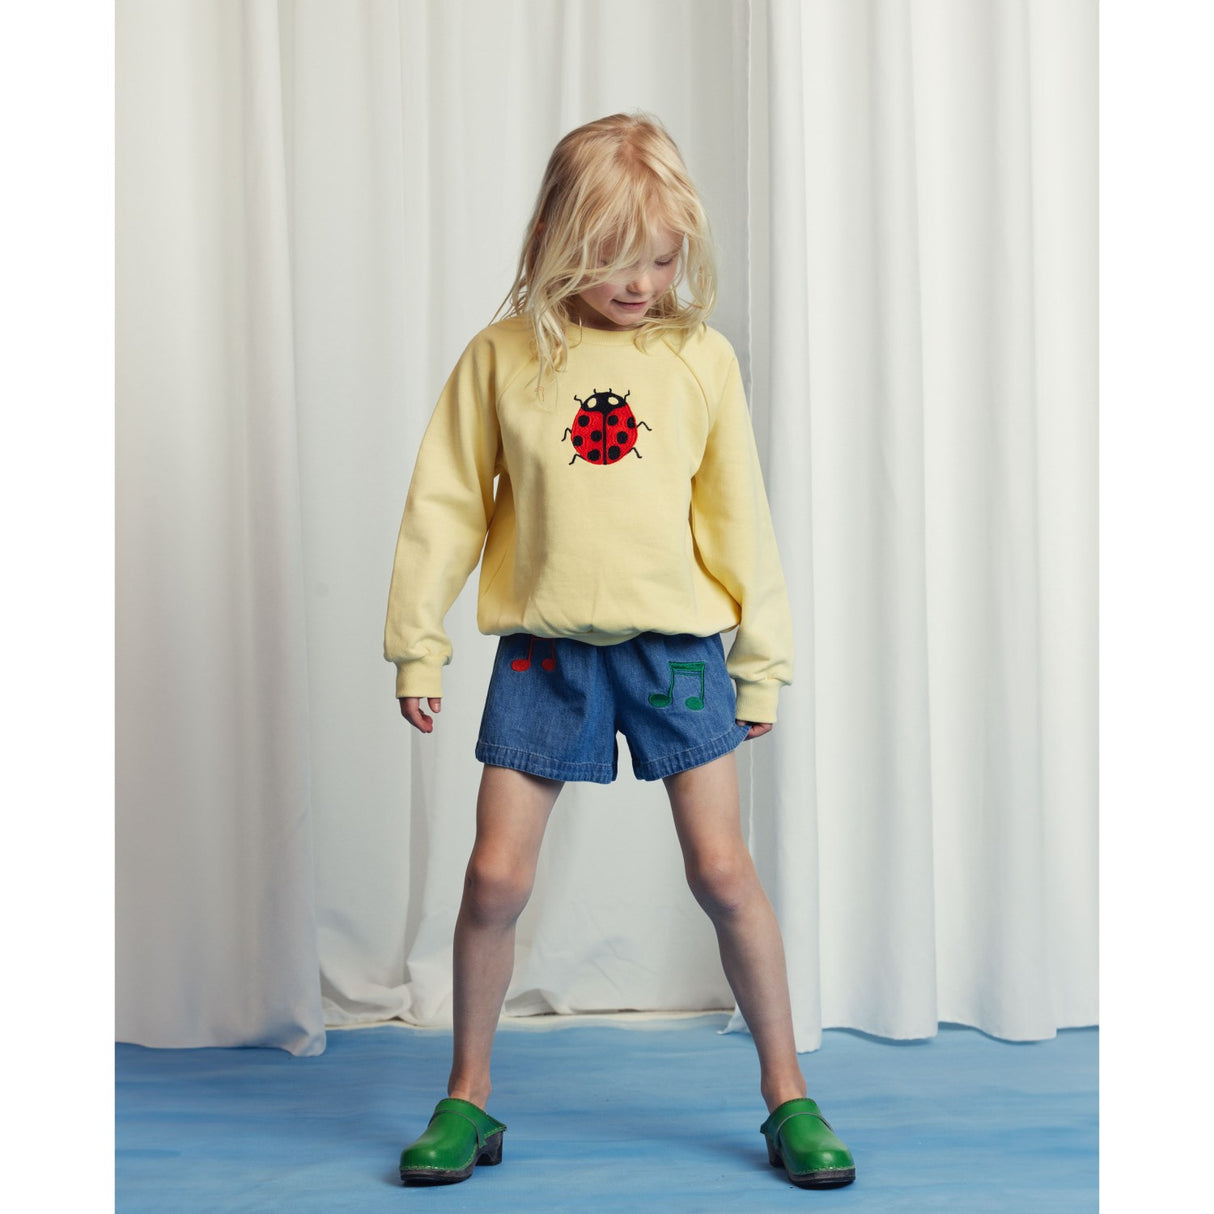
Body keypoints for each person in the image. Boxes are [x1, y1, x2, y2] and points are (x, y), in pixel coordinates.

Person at [384, 112, 855, 1191]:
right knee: (493, 876)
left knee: (722, 871)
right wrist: (417, 644)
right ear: (557, 239)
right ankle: (467, 1095)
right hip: (544, 653)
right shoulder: (503, 357)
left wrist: (761, 659)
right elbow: (445, 505)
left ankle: (788, 1094)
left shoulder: (698, 359)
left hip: (676, 652)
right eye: (612, 257)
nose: (641, 282)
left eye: (662, 256)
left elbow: (739, 518)